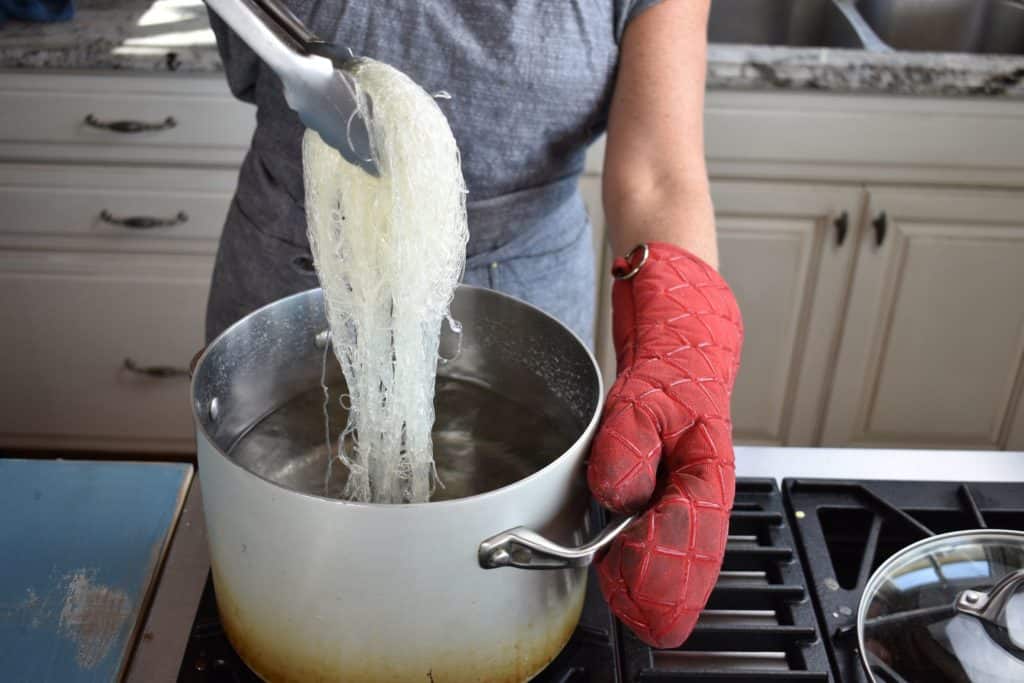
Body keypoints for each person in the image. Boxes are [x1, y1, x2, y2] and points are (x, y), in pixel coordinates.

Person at [207, 0, 743, 649]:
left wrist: (682, 341)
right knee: (277, 577)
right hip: (300, 267)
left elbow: (659, 175)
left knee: (489, 616)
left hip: (527, 286)